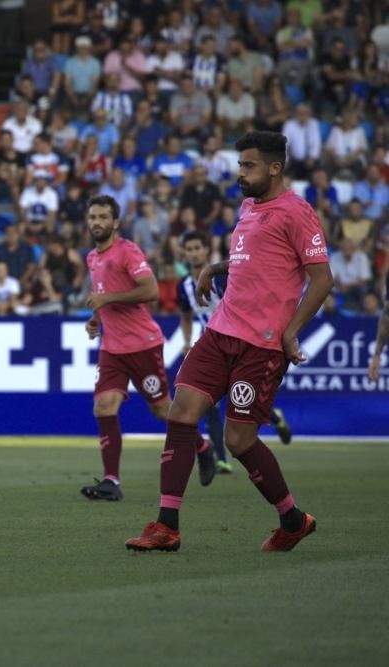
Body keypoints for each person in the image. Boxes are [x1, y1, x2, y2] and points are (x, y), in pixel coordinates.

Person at [126, 131, 333, 553]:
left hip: (262, 345)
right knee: (182, 412)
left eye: (249, 165)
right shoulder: (248, 208)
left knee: (239, 441)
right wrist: (214, 267)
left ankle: (292, 520)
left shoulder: (297, 212)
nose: (241, 173)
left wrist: (291, 331)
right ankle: (167, 526)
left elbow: (322, 278)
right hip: (220, 332)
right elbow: (253, 257)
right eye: (240, 165)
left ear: (275, 168)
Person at [81, 195, 216, 502]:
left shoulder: (127, 251)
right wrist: (95, 318)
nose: (97, 222)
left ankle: (202, 447)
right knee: (103, 406)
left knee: (161, 410)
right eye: (93, 217)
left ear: (115, 222)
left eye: (103, 216)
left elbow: (151, 290)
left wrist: (108, 300)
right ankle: (111, 481)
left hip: (143, 345)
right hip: (112, 348)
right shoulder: (92, 258)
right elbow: (102, 295)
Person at [177, 231, 295, 475]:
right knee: (210, 402)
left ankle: (274, 416)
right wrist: (187, 341)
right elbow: (186, 316)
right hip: (211, 341)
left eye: (197, 247)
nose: (194, 253)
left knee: (238, 395)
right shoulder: (184, 286)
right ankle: (221, 459)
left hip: (240, 340)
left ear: (206, 250)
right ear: (184, 253)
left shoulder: (223, 277)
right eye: (188, 249)